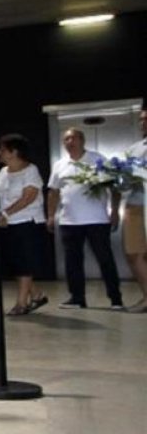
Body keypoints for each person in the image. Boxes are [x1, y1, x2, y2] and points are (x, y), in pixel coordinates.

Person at [46, 128, 124, 310]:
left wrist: (114, 212)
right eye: (66, 139)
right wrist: (50, 215)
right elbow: (53, 192)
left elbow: (115, 188)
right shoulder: (59, 165)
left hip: (97, 220)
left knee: (105, 259)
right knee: (72, 262)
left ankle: (116, 299)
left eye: (73, 138)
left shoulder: (98, 159)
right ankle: (77, 298)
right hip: (69, 221)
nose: (69, 142)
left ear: (82, 140)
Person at [0, 134, 49, 316]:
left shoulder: (30, 170)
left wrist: (6, 213)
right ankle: (37, 294)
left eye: (2, 149)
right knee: (16, 263)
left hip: (27, 222)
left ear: (14, 152)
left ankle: (21, 303)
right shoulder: (3, 171)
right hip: (8, 223)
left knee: (24, 262)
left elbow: (29, 196)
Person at [123, 108, 147, 313]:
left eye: (146, 120)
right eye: (141, 120)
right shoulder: (134, 149)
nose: (143, 124)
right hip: (136, 204)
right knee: (133, 252)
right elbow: (124, 183)